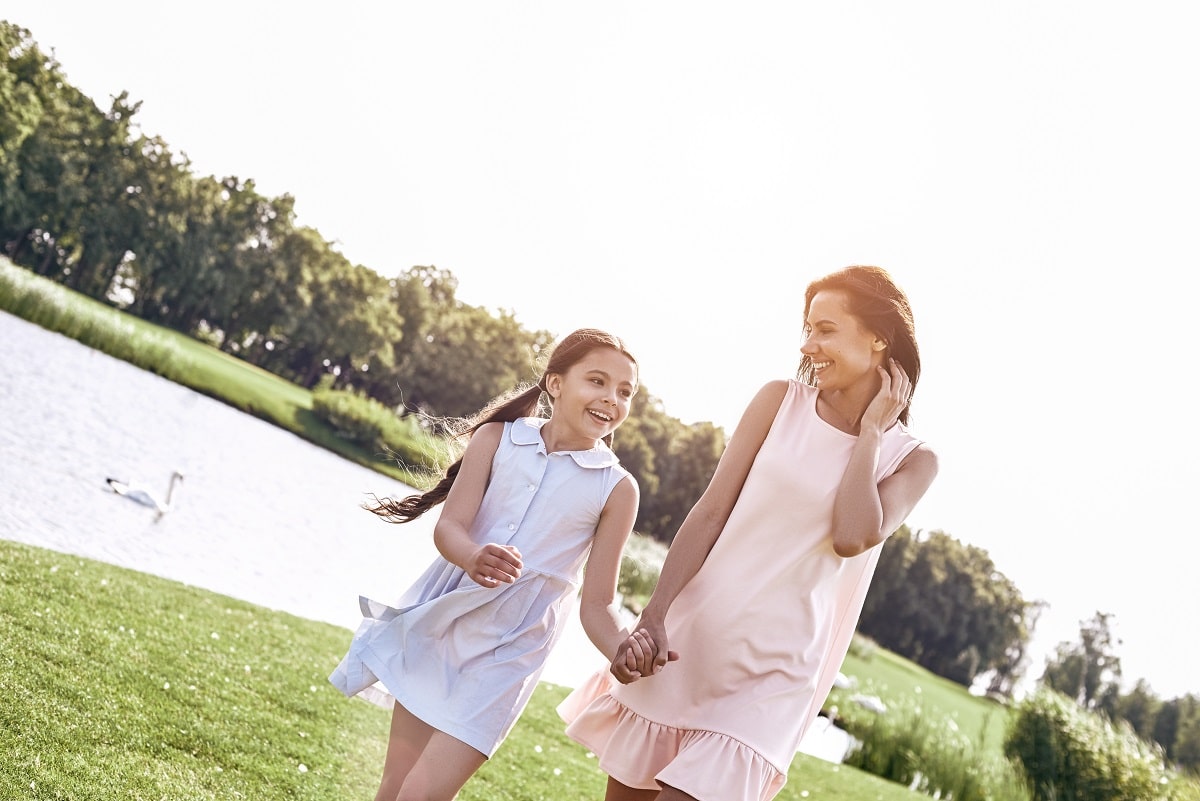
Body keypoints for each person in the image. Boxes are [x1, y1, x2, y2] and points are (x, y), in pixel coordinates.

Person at [557, 266, 940, 801]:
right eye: (807, 329)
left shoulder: (912, 460)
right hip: (690, 642)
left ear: (878, 337)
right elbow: (711, 512)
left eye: (826, 329)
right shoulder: (778, 401)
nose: (809, 345)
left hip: (774, 677)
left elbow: (854, 535)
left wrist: (871, 431)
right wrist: (656, 612)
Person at [330, 328, 645, 801]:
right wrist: (473, 555)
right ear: (555, 384)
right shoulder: (497, 438)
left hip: (509, 654)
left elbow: (597, 604)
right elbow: (449, 529)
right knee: (395, 785)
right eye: (597, 381)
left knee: (422, 793)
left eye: (625, 392)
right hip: (441, 624)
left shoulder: (617, 489)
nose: (611, 399)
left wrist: (621, 649)